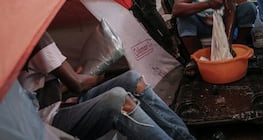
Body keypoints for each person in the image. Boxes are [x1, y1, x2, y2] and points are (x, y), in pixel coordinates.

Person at [18, 32, 195, 140]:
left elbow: (38, 86)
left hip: (54, 104)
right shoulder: (35, 37)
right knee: (117, 100)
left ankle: (184, 138)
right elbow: (78, 84)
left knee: (133, 79)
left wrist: (73, 81)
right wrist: (96, 77)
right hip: (45, 121)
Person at [172, 0, 257, 74]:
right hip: (202, 25)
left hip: (222, 24)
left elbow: (230, 12)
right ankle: (195, 58)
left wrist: (228, 45)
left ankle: (238, 47)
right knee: (183, 17)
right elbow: (176, 9)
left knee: (249, 8)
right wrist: (208, 4)